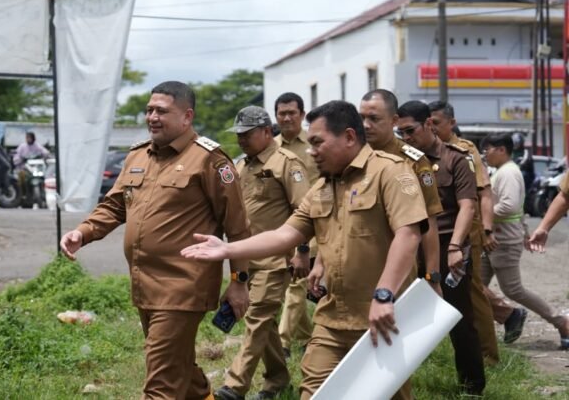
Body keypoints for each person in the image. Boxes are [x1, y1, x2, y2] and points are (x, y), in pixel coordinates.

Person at [183, 100, 427, 400]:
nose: (311, 151)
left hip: (382, 317)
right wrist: (228, 249)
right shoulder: (323, 186)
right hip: (332, 319)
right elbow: (285, 233)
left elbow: (409, 234)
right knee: (315, 392)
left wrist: (385, 294)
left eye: (317, 143)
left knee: (387, 394)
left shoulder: (390, 173)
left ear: (349, 137)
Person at [60, 81, 250, 400]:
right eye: (149, 110)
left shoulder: (209, 160)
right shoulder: (138, 156)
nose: (152, 117)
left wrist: (239, 280)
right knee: (179, 367)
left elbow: (238, 227)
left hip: (183, 286)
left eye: (162, 111)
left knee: (160, 383)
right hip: (144, 284)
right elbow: (115, 205)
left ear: (187, 116)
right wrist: (85, 231)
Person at [214, 106, 309, 400]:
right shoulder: (242, 166)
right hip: (244, 261)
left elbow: (305, 212)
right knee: (264, 323)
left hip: (274, 261)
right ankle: (278, 379)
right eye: (238, 135)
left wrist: (302, 252)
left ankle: (234, 386)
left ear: (267, 132)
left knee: (256, 318)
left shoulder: (287, 163)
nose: (241, 139)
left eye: (248, 134)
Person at [397, 101, 485, 394]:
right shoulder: (401, 159)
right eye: (401, 132)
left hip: (448, 245)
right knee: (399, 317)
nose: (406, 138)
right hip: (409, 246)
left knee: (458, 318)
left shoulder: (455, 158)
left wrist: (456, 246)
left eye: (410, 131)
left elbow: (467, 205)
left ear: (429, 125)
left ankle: (472, 387)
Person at [480, 133, 569, 349]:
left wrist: (483, 217)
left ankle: (560, 321)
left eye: (488, 150)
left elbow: (509, 206)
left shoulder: (508, 173)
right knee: (473, 285)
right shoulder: (501, 171)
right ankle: (483, 334)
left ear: (501, 149)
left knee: (513, 289)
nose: (485, 155)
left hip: (502, 238)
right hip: (492, 236)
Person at [429, 100, 501, 365]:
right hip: (435, 233)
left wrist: (487, 229)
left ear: (452, 123)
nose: (432, 129)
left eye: (437, 123)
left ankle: (487, 356)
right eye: (429, 123)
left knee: (473, 292)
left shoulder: (464, 151)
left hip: (465, 234)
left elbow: (483, 194)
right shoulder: (422, 151)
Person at [359, 90, 443, 292]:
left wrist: (432, 276)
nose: (365, 125)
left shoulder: (413, 161)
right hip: (357, 267)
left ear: (394, 120)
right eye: (361, 118)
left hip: (398, 270)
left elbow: (429, 221)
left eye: (373, 118)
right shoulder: (352, 157)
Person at [272, 92, 319, 359]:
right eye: (282, 113)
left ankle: (282, 343)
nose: (287, 117)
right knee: (291, 284)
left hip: (309, 229)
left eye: (292, 112)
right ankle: (308, 336)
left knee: (295, 284)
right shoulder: (270, 147)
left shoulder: (314, 146)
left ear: (302, 115)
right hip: (277, 232)